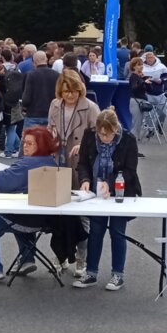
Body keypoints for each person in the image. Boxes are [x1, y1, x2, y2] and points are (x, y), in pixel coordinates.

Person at [0, 127, 63, 281]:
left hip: (23, 218)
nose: (25, 146)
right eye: (24, 142)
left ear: (41, 145)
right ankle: (26, 259)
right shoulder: (51, 161)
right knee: (23, 212)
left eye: (30, 143)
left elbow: (2, 183)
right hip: (44, 219)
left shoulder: (27, 164)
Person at [72, 109, 142, 291]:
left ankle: (118, 274)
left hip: (121, 193)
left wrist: (110, 183)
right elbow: (83, 164)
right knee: (96, 231)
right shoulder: (89, 136)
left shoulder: (128, 140)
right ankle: (92, 272)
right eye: (100, 134)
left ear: (115, 130)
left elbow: (130, 170)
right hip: (96, 194)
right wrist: (85, 180)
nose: (103, 137)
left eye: (107, 134)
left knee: (117, 232)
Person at [48, 70, 99, 276]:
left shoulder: (91, 107)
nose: (70, 95)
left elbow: (100, 136)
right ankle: (60, 256)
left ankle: (82, 260)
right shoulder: (55, 105)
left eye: (74, 91)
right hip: (59, 160)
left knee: (82, 215)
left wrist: (84, 146)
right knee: (59, 213)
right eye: (66, 91)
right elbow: (50, 126)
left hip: (81, 164)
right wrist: (52, 137)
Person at [21, 51, 59, 128]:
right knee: (49, 139)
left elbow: (26, 96)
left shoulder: (30, 75)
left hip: (33, 114)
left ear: (34, 62)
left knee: (31, 139)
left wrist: (24, 107)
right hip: (51, 114)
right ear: (46, 60)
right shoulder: (56, 75)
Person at [0, 49, 24, 158]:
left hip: (5, 101)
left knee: (9, 128)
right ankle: (17, 146)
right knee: (12, 126)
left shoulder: (1, 69)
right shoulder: (16, 68)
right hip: (15, 102)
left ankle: (8, 152)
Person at [141, 51, 167, 134]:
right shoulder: (142, 66)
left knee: (163, 112)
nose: (150, 59)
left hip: (159, 93)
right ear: (145, 58)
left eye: (151, 57)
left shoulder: (161, 66)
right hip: (147, 93)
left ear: (155, 57)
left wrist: (161, 80)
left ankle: (160, 125)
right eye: (148, 57)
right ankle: (151, 129)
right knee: (149, 114)